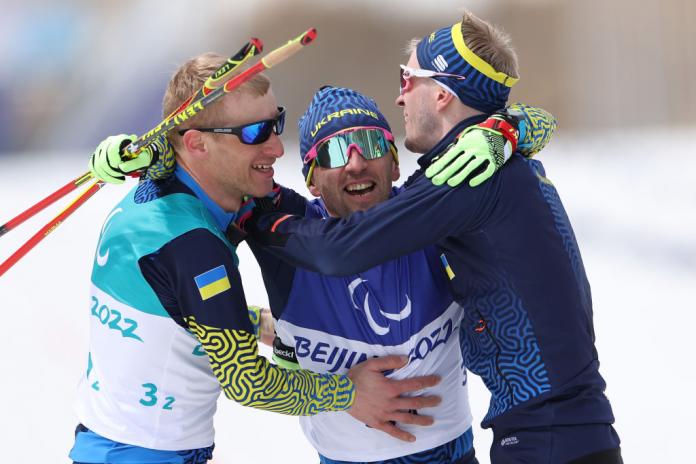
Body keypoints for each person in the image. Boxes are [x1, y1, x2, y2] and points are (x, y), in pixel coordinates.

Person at [246, 11, 623, 464]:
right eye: (331, 152)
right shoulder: (480, 165)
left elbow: (335, 251)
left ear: (442, 94)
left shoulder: (460, 182)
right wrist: (513, 125)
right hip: (547, 432)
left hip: (544, 437)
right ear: (310, 175)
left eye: (406, 78)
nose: (400, 96)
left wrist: (261, 221)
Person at [69, 52, 443, 464]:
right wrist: (350, 393)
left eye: (276, 123)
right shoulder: (193, 245)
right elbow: (246, 381)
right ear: (196, 143)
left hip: (109, 443)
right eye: (255, 133)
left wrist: (256, 322)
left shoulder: (156, 194)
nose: (276, 148)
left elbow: (176, 308)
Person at [243, 85, 556, 464]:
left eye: (371, 145)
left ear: (394, 165)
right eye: (335, 152)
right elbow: (200, 194)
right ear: (312, 180)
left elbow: (541, 122)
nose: (356, 164)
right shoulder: (285, 228)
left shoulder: (434, 211)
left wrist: (508, 129)